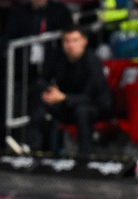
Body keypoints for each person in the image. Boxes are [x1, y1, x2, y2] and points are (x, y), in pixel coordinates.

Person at [27, 25, 111, 157]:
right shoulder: (58, 56)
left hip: (95, 107)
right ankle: (34, 149)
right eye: (67, 41)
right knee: (40, 100)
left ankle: (85, 156)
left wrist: (64, 97)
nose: (70, 45)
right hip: (66, 104)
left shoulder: (92, 62)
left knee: (81, 111)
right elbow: (42, 79)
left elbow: (93, 96)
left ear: (84, 41)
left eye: (75, 40)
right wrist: (49, 90)